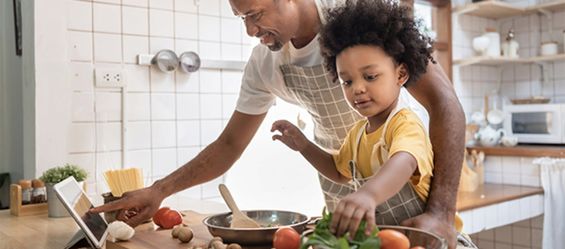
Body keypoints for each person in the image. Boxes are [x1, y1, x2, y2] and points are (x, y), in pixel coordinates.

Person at [92, 0, 466, 247]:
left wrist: (440, 213)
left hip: (406, 193)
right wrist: (160, 190)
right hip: (345, 184)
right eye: (243, 18)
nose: (250, 30)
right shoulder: (265, 63)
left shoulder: (357, 24)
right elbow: (228, 147)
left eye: (255, 14)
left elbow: (445, 105)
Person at [271, 0, 436, 237]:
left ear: (400, 74)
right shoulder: (358, 134)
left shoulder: (404, 123)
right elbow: (339, 172)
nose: (357, 89)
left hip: (428, 239)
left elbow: (405, 161)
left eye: (370, 76)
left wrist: (368, 194)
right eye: (347, 81)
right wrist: (304, 146)